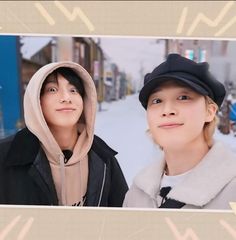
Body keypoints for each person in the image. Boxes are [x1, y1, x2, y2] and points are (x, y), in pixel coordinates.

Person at [0, 61, 128, 206]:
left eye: (74, 90)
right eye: (52, 89)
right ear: (37, 101)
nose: (66, 98)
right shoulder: (7, 155)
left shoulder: (103, 157)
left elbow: (123, 221)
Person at [123, 53, 236, 209]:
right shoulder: (137, 193)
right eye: (157, 101)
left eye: (183, 97)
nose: (167, 110)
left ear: (209, 112)